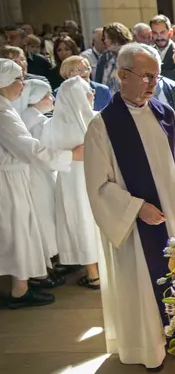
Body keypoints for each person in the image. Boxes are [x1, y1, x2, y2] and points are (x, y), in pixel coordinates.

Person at [83, 43, 175, 370]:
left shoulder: (166, 115)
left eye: (156, 77)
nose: (152, 84)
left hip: (173, 223)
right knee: (142, 290)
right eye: (146, 76)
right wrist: (136, 208)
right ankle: (150, 351)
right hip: (135, 231)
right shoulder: (102, 127)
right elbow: (98, 186)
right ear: (122, 75)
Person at [0, 59, 84, 309]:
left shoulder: (6, 108)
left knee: (21, 231)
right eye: (18, 79)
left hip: (13, 175)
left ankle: (24, 284)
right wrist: (70, 155)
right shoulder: (3, 113)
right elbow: (29, 148)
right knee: (18, 232)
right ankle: (19, 292)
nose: (23, 84)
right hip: (9, 179)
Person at [43, 76, 105, 287]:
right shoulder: (97, 119)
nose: (92, 95)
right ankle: (105, 271)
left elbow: (46, 156)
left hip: (70, 183)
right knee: (98, 222)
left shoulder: (51, 125)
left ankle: (93, 274)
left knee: (80, 223)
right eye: (89, 92)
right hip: (98, 179)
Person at [17, 80, 58, 269]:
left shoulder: (24, 117)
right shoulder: (38, 121)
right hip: (40, 174)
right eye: (47, 95)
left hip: (33, 174)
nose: (52, 98)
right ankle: (45, 262)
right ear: (35, 99)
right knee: (45, 215)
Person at [95, 22, 134, 93]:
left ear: (119, 38)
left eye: (108, 38)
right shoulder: (105, 57)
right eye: (105, 38)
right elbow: (98, 82)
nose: (105, 41)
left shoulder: (132, 55)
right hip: (107, 97)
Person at [150, 15, 175, 83]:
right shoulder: (147, 54)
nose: (159, 37)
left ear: (170, 33)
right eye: (155, 33)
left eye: (162, 32)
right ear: (151, 33)